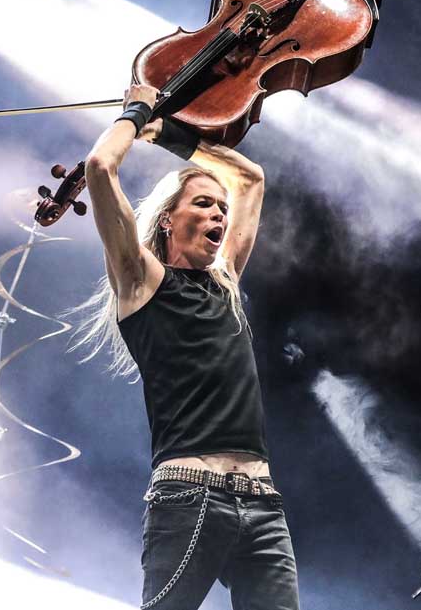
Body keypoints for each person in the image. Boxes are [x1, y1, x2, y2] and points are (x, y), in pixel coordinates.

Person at [71, 82, 299, 610]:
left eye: (222, 208)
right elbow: (100, 167)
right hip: (189, 494)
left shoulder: (226, 282)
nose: (220, 214)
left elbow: (249, 178)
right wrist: (135, 113)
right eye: (203, 203)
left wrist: (168, 133)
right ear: (168, 218)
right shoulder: (142, 281)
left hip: (263, 503)